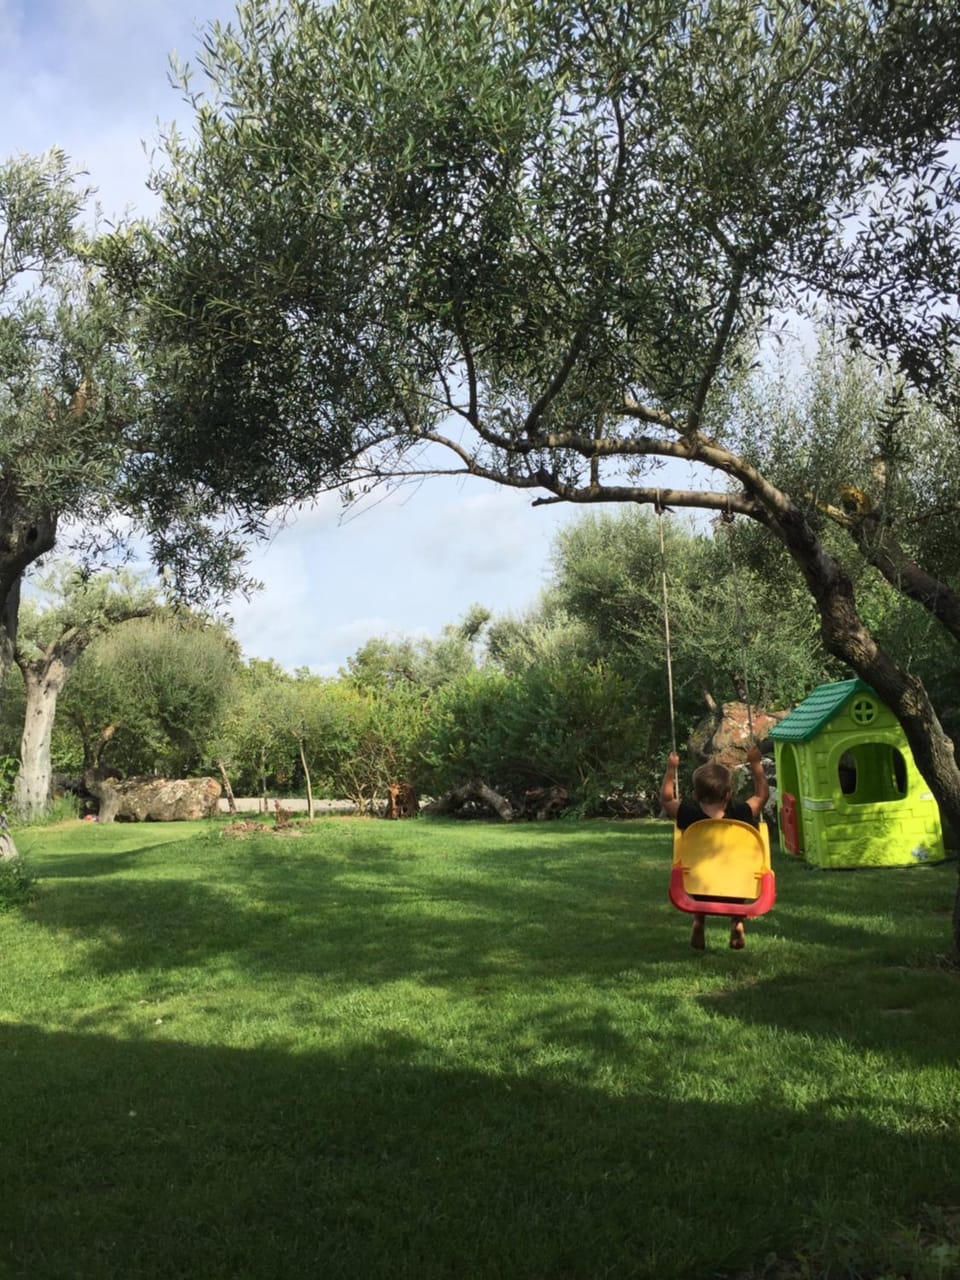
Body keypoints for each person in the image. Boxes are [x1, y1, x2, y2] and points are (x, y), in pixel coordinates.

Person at [660, 745, 770, 951]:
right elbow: (762, 796)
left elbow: (666, 799)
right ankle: (737, 921)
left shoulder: (689, 815)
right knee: (737, 876)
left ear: (695, 795)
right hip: (738, 885)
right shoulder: (741, 813)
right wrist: (756, 764)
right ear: (728, 794)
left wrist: (671, 769)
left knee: (702, 875)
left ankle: (699, 921)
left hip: (700, 885)